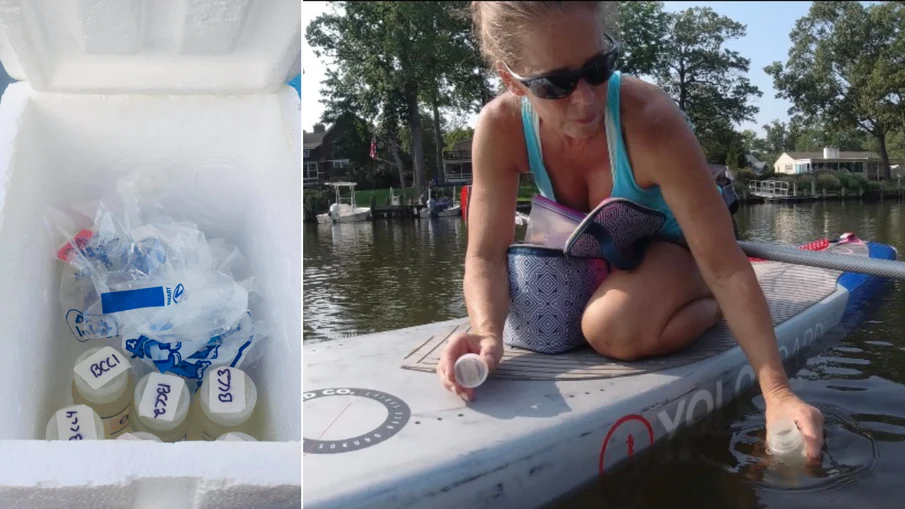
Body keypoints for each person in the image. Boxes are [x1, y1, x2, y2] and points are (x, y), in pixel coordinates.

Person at [436, 1, 824, 460]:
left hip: (685, 248)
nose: (585, 100)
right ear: (511, 80)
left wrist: (777, 392)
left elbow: (725, 267)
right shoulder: (500, 128)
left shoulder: (651, 119)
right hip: (607, 250)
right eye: (555, 85)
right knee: (534, 310)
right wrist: (486, 334)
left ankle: (709, 309)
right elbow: (484, 255)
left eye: (598, 69)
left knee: (610, 329)